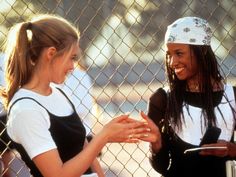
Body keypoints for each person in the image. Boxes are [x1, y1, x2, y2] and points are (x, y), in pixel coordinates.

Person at [1, 14, 151, 177]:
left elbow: (84, 147)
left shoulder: (58, 93)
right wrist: (104, 136)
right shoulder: (25, 109)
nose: (73, 66)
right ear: (51, 53)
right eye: (71, 57)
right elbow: (57, 175)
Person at [147, 16, 236, 177]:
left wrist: (230, 149)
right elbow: (162, 167)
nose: (173, 62)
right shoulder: (162, 99)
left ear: (201, 50)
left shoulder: (233, 97)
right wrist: (156, 144)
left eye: (179, 53)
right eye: (169, 54)